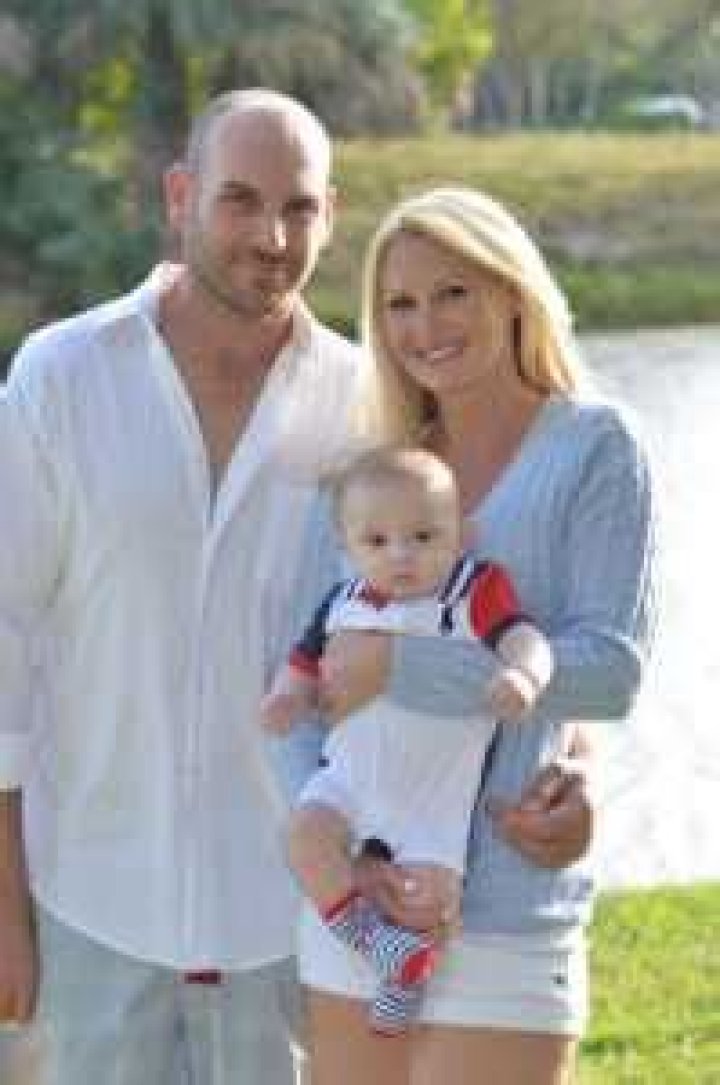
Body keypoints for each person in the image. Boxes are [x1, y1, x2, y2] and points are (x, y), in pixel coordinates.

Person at [0, 85, 597, 1082]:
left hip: (304, 919)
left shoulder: (375, 407)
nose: (271, 236)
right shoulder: (59, 377)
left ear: (331, 215)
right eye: (240, 200)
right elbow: (5, 645)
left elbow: (492, 601)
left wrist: (571, 764)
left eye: (299, 207)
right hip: (90, 904)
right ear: (180, 195)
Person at [297, 187, 658, 1085]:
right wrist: (338, 856)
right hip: (359, 912)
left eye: (453, 291)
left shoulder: (596, 446)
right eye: (400, 303)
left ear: (511, 288)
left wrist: (403, 666)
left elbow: (609, 672)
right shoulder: (368, 476)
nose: (426, 326)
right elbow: (307, 683)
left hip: (504, 908)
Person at [263, 445, 554, 1034]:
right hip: (348, 780)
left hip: (433, 796)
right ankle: (375, 943)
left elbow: (529, 640)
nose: (401, 555)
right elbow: (303, 662)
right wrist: (287, 697)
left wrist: (523, 675)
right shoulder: (342, 601)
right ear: (348, 547)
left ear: (460, 534)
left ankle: (405, 973)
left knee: (427, 899)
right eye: (377, 541)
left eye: (423, 536)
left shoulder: (473, 591)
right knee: (304, 837)